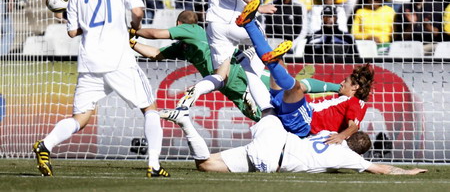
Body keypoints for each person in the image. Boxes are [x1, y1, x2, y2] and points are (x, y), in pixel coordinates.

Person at [32, 0, 169, 178]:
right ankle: (155, 165)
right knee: (150, 108)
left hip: (90, 61)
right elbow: (138, 11)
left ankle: (47, 144)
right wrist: (133, 27)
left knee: (80, 118)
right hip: (118, 58)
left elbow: (73, 32)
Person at [230, 0, 373, 142]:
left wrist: (341, 137)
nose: (342, 82)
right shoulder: (341, 99)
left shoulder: (357, 102)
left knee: (295, 86)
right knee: (278, 65)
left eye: (346, 81)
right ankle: (249, 24)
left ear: (355, 87)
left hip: (304, 122)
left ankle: (267, 59)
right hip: (294, 113)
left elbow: (354, 126)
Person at [164, 109, 427, 175]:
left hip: (274, 131)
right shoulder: (351, 158)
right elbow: (381, 169)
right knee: (206, 166)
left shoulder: (327, 134)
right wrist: (409, 171)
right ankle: (185, 122)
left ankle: (185, 120)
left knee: (206, 165)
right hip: (271, 158)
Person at [129, 10, 265, 121]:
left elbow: (155, 34)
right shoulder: (184, 45)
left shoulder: (192, 29)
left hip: (229, 71)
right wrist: (131, 43)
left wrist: (134, 31)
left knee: (264, 107)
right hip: (224, 82)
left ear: (179, 24)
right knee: (259, 116)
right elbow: (156, 53)